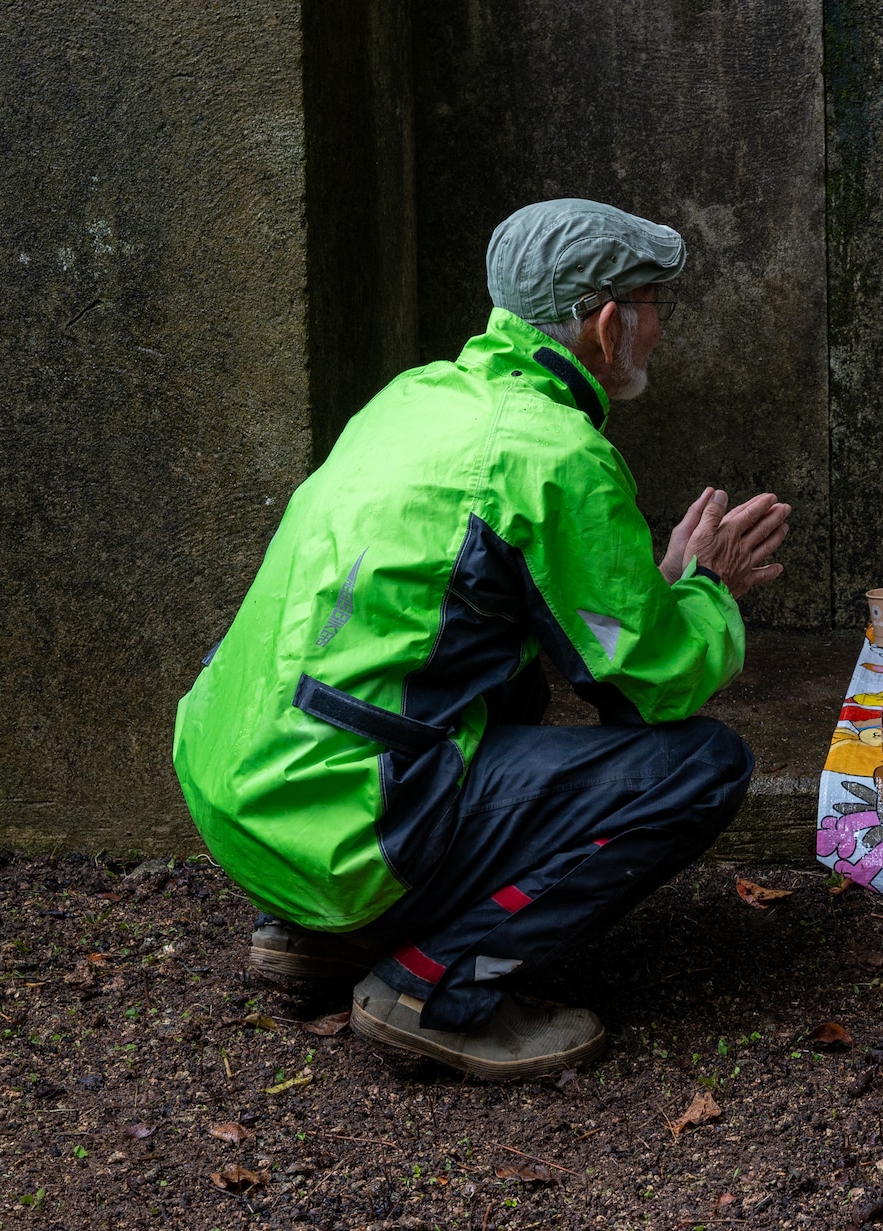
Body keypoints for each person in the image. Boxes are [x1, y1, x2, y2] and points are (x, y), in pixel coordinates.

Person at [172, 199, 790, 1079]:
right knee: (700, 767)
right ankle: (435, 983)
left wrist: (647, 591)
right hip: (349, 826)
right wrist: (708, 592)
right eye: (655, 306)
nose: (660, 328)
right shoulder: (555, 454)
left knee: (499, 670)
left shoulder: (415, 396)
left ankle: (316, 933)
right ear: (610, 325)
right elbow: (653, 687)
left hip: (237, 793)